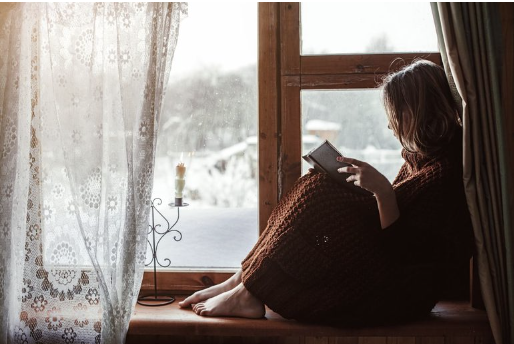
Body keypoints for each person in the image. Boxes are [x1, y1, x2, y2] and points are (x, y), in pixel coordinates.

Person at [178, 59, 474, 324]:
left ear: (418, 113)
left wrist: (381, 191)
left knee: (321, 195)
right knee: (314, 183)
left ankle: (249, 290)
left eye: (396, 114)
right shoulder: (422, 159)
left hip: (399, 294)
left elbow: (405, 254)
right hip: (387, 276)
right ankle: (243, 281)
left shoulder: (444, 175)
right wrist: (369, 191)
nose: (389, 125)